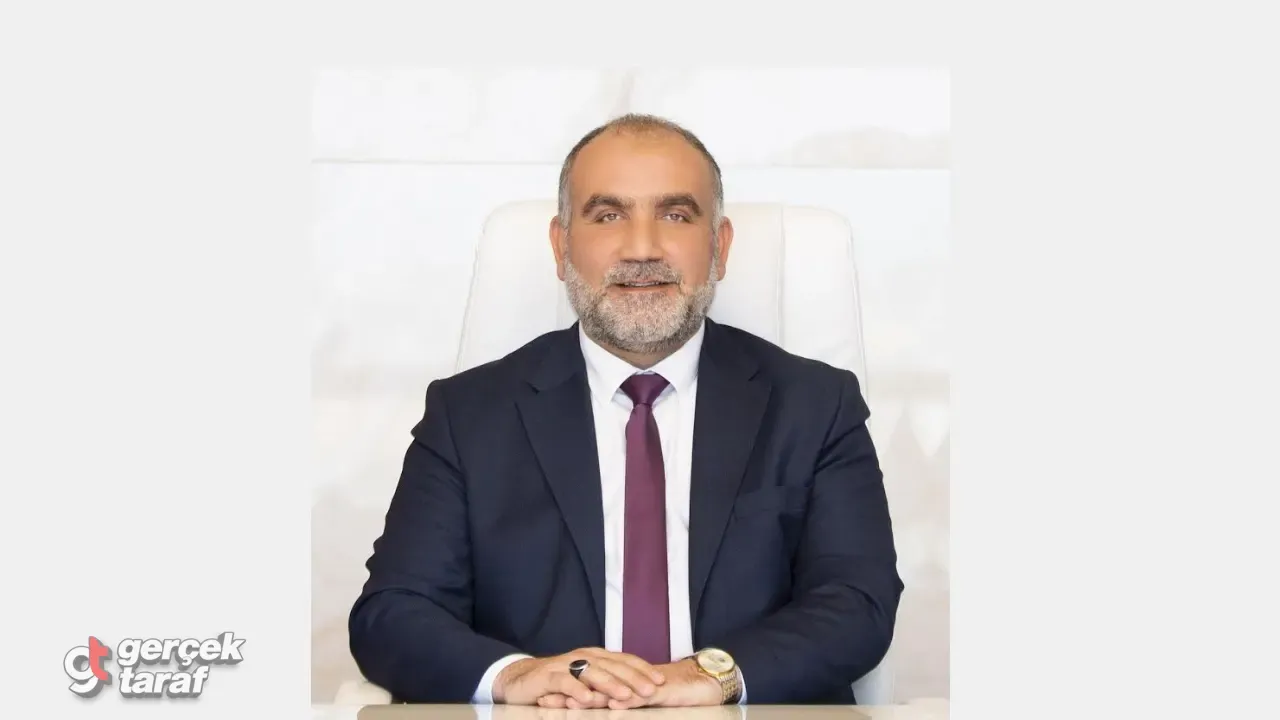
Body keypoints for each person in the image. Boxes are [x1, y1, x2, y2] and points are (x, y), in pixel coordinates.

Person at [348, 114, 903, 708]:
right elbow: (393, 613)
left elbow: (856, 602)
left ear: (719, 247)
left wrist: (713, 677)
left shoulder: (815, 405)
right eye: (608, 215)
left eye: (676, 215)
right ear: (562, 246)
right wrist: (516, 676)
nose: (642, 248)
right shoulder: (467, 416)